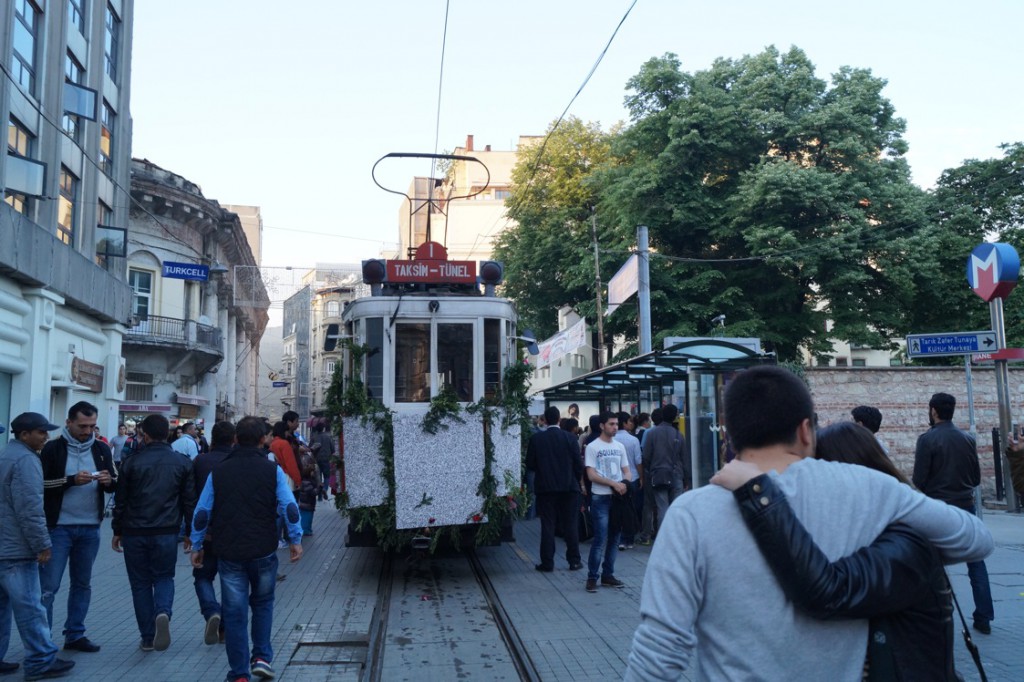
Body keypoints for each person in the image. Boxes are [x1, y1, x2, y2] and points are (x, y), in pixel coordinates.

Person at [624, 366, 993, 680]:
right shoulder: (868, 488)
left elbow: (660, 650)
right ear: (805, 431)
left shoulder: (692, 512)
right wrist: (875, 562)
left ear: (731, 436)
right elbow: (975, 539)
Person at [714, 421, 960, 681]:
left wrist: (757, 491)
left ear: (850, 478)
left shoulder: (905, 547)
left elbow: (827, 591)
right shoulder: (878, 537)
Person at [190, 416, 303, 682]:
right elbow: (289, 507)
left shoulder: (219, 471)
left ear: (236, 439)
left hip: (229, 552)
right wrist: (295, 539)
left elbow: (202, 511)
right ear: (263, 439)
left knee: (234, 611)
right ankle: (262, 657)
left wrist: (196, 544)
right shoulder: (271, 470)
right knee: (263, 603)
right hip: (263, 549)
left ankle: (239, 673)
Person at [0, 413, 75, 681]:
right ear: (24, 435)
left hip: (4, 545)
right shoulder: (26, 461)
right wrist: (42, 544)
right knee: (30, 606)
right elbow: (30, 509)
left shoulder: (6, 456)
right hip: (16, 549)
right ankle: (40, 660)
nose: (46, 436)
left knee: (2, 607)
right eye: (41, 432)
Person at [111, 414, 196, 652]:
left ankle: (148, 637)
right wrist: (190, 532)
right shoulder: (182, 463)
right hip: (167, 531)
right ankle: (163, 612)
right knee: (164, 577)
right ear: (167, 434)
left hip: (134, 531)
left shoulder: (131, 462)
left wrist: (117, 530)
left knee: (139, 583)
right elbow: (190, 501)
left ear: (144, 435)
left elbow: (121, 501)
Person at [912, 391, 994, 634]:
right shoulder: (967, 439)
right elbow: (977, 477)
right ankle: (984, 617)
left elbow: (919, 478)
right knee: (976, 562)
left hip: (937, 507)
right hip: (966, 505)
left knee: (930, 562)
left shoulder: (927, 440)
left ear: (933, 411)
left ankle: (934, 614)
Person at [39, 400, 116, 653]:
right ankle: (43, 640)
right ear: (69, 423)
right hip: (58, 528)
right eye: (82, 426)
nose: (88, 431)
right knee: (48, 587)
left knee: (82, 584)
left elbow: (115, 482)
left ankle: (75, 634)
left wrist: (108, 481)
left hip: (90, 528)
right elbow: (41, 485)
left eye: (92, 426)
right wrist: (70, 481)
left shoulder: (102, 449)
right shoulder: (52, 449)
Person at [191, 421, 236, 645]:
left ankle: (211, 611)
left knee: (202, 576)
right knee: (230, 580)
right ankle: (224, 628)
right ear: (233, 439)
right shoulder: (236, 462)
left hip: (206, 532)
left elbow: (193, 498)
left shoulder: (200, 461)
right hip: (232, 533)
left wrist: (192, 535)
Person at [526, 406, 584, 573]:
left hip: (546, 488)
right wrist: (575, 479)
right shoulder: (570, 438)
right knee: (570, 524)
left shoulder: (537, 439)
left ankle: (547, 562)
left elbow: (530, 464)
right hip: (569, 488)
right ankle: (574, 560)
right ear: (559, 420)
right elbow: (578, 465)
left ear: (545, 419)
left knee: (548, 525)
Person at [583, 411, 631, 593]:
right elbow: (591, 474)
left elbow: (627, 471)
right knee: (600, 538)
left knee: (614, 538)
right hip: (600, 497)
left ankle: (608, 575)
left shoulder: (620, 446)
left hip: (618, 498)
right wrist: (614, 484)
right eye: (611, 424)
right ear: (602, 425)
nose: (615, 427)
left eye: (617, 424)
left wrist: (624, 484)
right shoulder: (592, 447)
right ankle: (592, 576)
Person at [639, 404, 686, 543]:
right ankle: (676, 538)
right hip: (676, 474)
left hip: (658, 474)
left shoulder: (652, 433)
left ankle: (663, 540)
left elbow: (646, 457)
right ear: (675, 417)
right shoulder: (679, 434)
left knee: (662, 507)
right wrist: (686, 478)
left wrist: (652, 469)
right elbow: (684, 458)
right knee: (676, 507)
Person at [613, 412, 642, 550]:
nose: (631, 423)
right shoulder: (633, 440)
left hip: (615, 479)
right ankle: (629, 539)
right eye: (629, 421)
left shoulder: (611, 440)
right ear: (624, 423)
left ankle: (618, 539)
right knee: (630, 509)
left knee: (617, 510)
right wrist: (642, 477)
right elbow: (638, 461)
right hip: (632, 478)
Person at [308, 421, 334, 501]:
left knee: (318, 478)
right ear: (323, 429)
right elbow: (333, 449)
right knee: (326, 476)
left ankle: (319, 497)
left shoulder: (314, 437)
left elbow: (310, 448)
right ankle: (325, 489)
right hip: (326, 459)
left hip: (316, 460)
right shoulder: (328, 437)